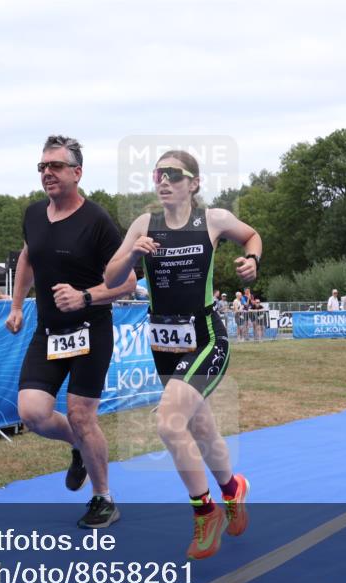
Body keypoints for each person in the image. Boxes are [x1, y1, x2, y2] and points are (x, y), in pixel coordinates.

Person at [105, 149, 261, 560]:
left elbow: (251, 235)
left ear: (193, 183)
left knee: (169, 423)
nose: (164, 181)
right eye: (158, 174)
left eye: (174, 174)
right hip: (164, 343)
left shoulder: (214, 220)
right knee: (202, 430)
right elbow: (110, 276)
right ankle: (233, 489)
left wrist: (252, 260)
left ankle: (205, 510)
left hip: (207, 337)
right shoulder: (144, 224)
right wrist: (133, 254)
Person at [5, 135, 136, 529]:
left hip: (91, 328)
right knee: (32, 413)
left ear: (77, 173)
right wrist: (15, 305)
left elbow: (129, 282)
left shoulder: (96, 221)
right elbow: (28, 257)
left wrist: (84, 297)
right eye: (42, 166)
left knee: (81, 415)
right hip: (49, 330)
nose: (47, 173)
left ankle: (104, 498)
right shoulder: (32, 214)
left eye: (56, 166)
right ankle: (80, 449)